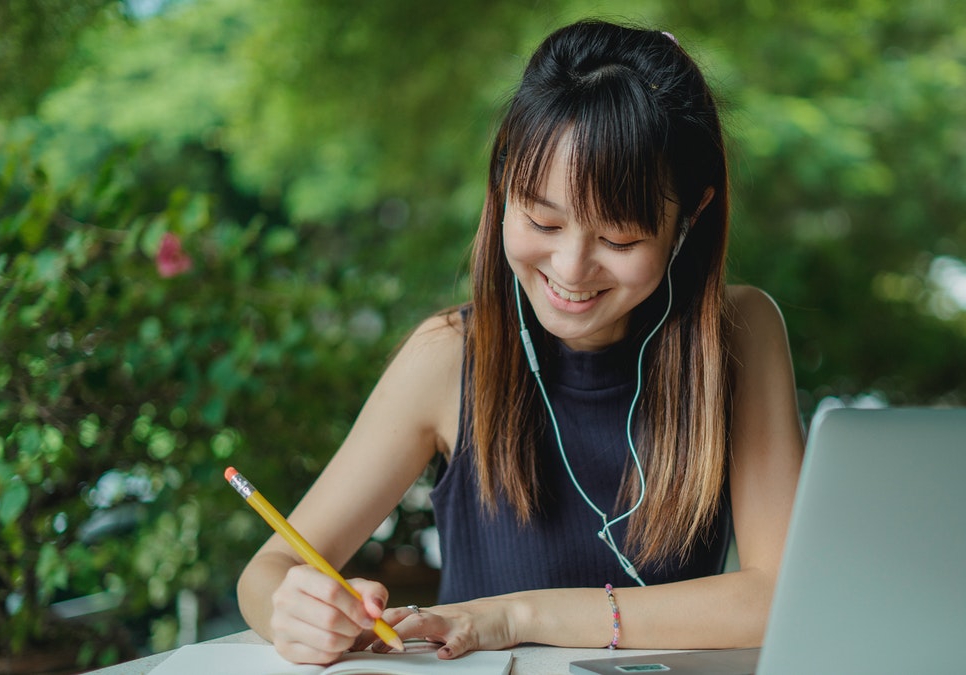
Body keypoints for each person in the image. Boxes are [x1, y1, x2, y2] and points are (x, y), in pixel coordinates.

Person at [236, 19, 804, 665]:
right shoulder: (447, 356)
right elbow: (269, 568)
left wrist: (516, 614)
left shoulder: (741, 334)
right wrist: (299, 609)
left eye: (618, 240)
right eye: (542, 219)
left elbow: (778, 593)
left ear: (690, 216)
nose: (570, 267)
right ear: (503, 180)